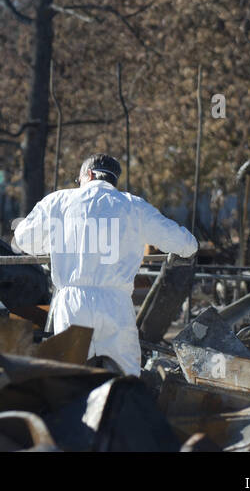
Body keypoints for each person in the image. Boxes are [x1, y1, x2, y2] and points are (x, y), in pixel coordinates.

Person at [12, 152, 198, 376]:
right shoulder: (133, 206)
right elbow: (184, 244)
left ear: (87, 175)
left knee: (69, 376)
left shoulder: (58, 201)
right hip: (115, 304)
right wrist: (187, 248)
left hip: (72, 305)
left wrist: (56, 244)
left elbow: (24, 239)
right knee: (126, 375)